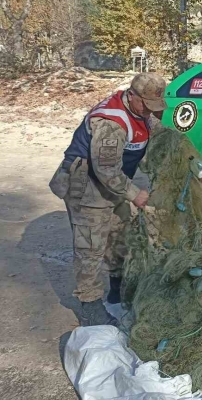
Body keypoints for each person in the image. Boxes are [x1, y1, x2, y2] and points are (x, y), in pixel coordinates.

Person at [48, 73, 167, 326]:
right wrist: (136, 195)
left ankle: (117, 288)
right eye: (146, 105)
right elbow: (106, 169)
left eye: (154, 107)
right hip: (86, 185)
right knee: (90, 245)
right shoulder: (111, 123)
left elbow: (156, 130)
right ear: (131, 95)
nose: (149, 112)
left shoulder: (140, 112)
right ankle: (90, 306)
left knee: (119, 233)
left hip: (114, 185)